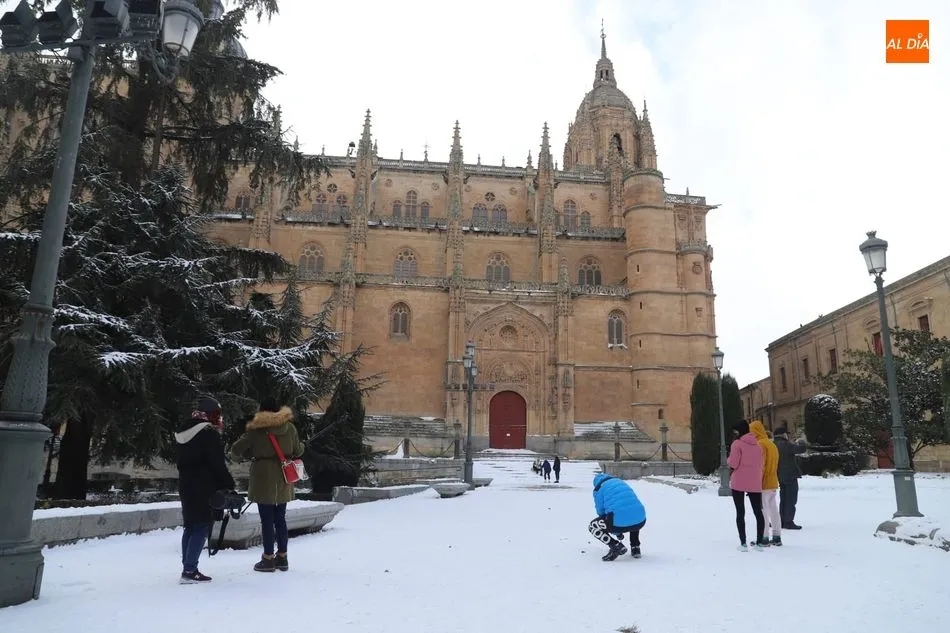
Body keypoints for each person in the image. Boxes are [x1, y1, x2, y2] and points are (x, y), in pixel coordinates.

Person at [230, 397, 304, 572]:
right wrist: (301, 446)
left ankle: (268, 558)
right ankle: (283, 557)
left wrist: (242, 457)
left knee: (267, 520)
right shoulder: (290, 428)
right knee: (281, 519)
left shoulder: (256, 430)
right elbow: (298, 450)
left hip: (263, 477)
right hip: (284, 476)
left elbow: (235, 450)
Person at [175, 395, 236, 584]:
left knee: (190, 525)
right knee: (201, 525)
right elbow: (217, 463)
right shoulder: (208, 433)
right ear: (210, 414)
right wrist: (228, 484)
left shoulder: (183, 432)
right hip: (204, 486)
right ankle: (190, 570)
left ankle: (188, 566)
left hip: (186, 484)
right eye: (217, 414)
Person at [588, 472, 647, 561]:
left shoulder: (598, 489)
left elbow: (601, 512)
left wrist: (618, 533)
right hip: (640, 519)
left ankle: (615, 546)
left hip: (617, 522)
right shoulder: (620, 482)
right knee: (631, 512)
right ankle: (636, 548)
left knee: (592, 527)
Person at [727, 420, 765, 551]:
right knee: (758, 512)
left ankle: (743, 543)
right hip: (755, 481)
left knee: (740, 512)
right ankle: (759, 542)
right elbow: (761, 464)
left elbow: (733, 463)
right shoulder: (758, 446)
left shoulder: (737, 444)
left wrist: (728, 459)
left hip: (739, 481)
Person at [750, 421, 781, 546]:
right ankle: (777, 535)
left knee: (762, 511)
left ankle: (764, 538)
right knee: (773, 509)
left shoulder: (760, 445)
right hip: (773, 481)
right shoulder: (771, 444)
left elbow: (760, 466)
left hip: (763, 484)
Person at [774, 427, 807, 529]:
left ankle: (782, 520)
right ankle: (788, 521)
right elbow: (801, 449)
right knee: (791, 500)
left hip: (780, 475)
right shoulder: (786, 445)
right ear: (783, 435)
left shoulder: (773, 445)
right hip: (790, 475)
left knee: (783, 499)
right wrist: (801, 441)